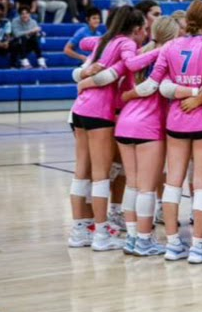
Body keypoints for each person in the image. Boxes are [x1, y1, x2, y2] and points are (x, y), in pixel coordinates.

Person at [130, 0, 202, 264]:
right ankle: (198, 247)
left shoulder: (170, 46)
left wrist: (177, 88)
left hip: (176, 121)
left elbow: (156, 83)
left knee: (173, 182)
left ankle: (172, 244)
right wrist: (198, 95)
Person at [78, 16, 179, 256]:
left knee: (133, 186)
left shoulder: (136, 55)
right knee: (146, 188)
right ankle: (144, 240)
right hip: (148, 126)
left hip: (124, 125)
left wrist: (82, 82)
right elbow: (158, 89)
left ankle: (133, 239)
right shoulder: (165, 58)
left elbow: (118, 85)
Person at [70, 6, 146, 251]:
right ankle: (101, 234)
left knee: (81, 171)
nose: (145, 33)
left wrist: (82, 75)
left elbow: (83, 43)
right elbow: (131, 65)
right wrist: (159, 50)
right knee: (101, 175)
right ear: (135, 29)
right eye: (143, 29)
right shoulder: (126, 43)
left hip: (79, 108)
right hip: (99, 111)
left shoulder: (103, 40)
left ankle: (79, 230)